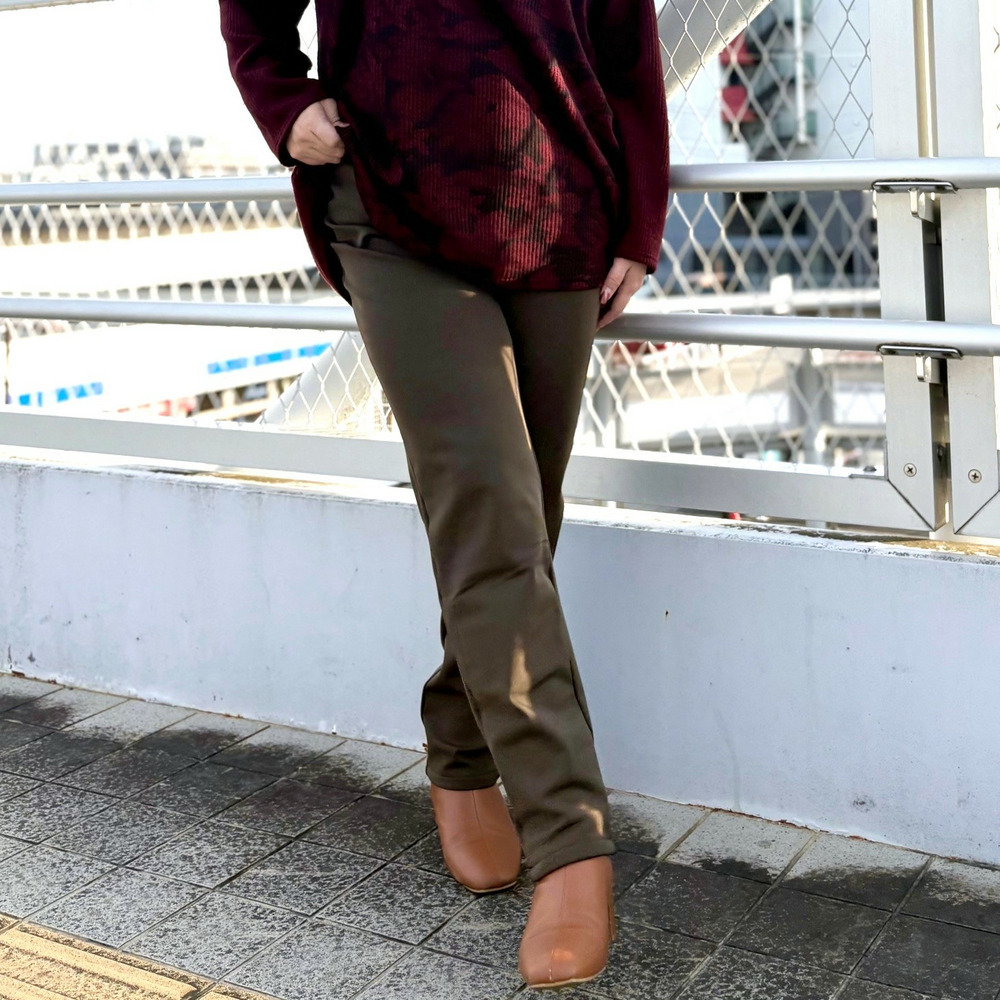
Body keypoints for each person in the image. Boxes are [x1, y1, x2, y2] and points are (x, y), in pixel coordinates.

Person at [219, 0, 670, 987]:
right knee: (493, 519)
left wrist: (640, 221)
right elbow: (251, 16)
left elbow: (628, 56)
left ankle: (459, 748)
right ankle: (571, 843)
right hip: (393, 208)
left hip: (560, 208)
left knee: (526, 520)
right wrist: (282, 103)